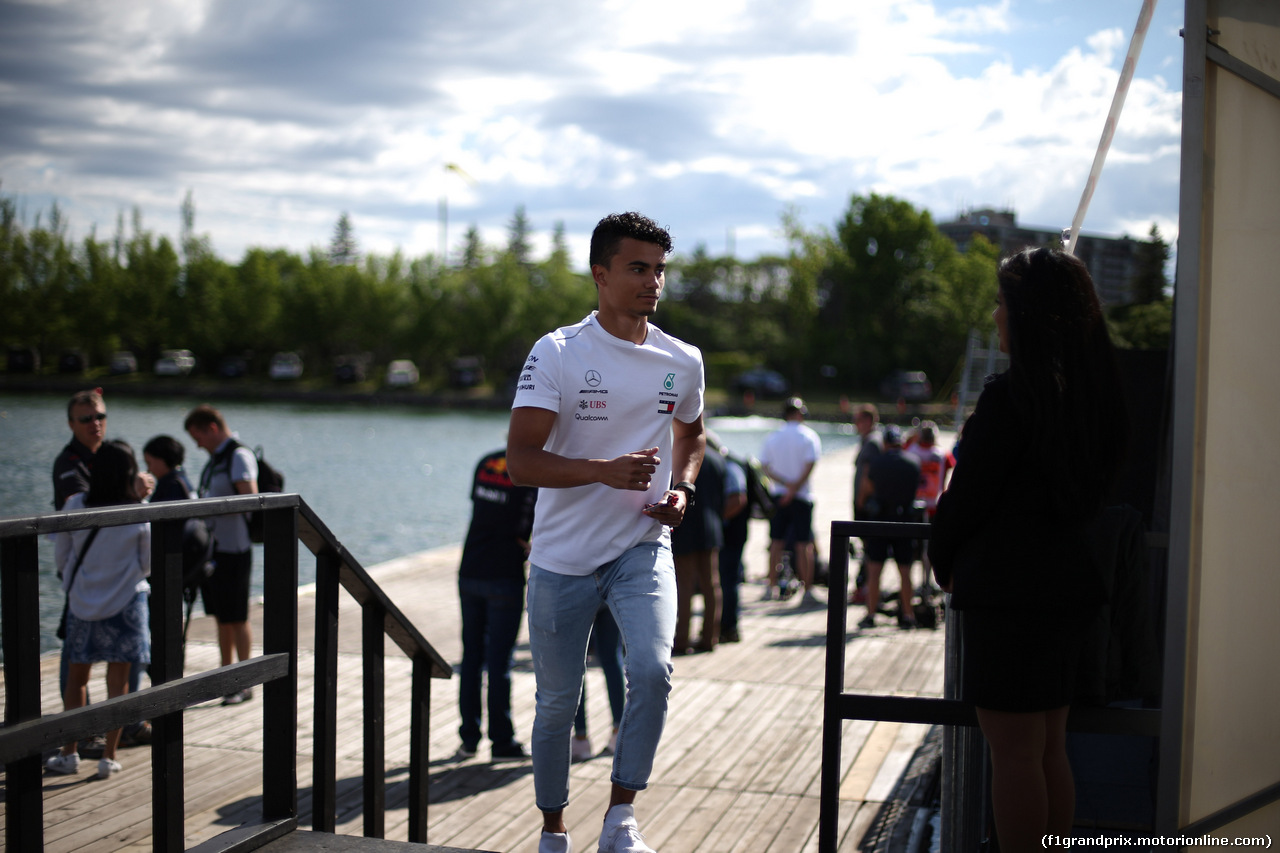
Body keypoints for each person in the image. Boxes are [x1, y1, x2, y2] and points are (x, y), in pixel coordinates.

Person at [507, 211, 705, 853]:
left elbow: (691, 435)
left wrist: (683, 488)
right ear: (601, 273)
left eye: (659, 271)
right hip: (562, 557)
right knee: (558, 703)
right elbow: (521, 462)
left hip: (641, 547)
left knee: (650, 672)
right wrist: (604, 471)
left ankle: (621, 817)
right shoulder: (558, 352)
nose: (653, 282)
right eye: (638, 268)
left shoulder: (682, 359)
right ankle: (553, 830)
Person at [929, 247, 1127, 851]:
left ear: (1030, 314)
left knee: (1012, 753)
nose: (995, 316)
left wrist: (944, 561)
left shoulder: (1012, 397)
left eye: (1004, 303)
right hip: (1069, 587)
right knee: (1048, 747)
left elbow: (968, 498)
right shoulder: (1095, 395)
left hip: (1008, 595)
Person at [46, 440, 151, 779]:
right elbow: (146, 565)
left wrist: (77, 586)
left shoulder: (75, 503)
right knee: (117, 683)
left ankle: (69, 752)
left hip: (82, 601)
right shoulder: (138, 511)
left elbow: (61, 555)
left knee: (77, 679)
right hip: (125, 603)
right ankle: (109, 755)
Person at [456, 448, 537, 761]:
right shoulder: (530, 472)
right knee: (499, 663)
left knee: (472, 660)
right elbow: (524, 529)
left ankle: (468, 738)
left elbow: (481, 510)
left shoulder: (485, 462)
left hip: (470, 569)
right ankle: (502, 741)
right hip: (504, 575)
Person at [184, 405, 258, 704]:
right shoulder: (216, 459)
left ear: (211, 428)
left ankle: (245, 681)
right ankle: (227, 676)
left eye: (198, 437)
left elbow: (251, 501)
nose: (197, 444)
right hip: (214, 551)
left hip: (235, 549)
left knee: (237, 617)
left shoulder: (239, 456)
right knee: (220, 617)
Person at [855, 425, 922, 630]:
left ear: (885, 443)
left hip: (880, 521)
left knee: (874, 570)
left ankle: (871, 614)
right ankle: (908, 615)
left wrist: (861, 508)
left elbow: (865, 491)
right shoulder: (913, 463)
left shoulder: (876, 463)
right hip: (905, 521)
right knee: (905, 571)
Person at [758, 397, 822, 606]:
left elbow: (765, 466)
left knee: (775, 542)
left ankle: (771, 586)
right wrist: (794, 488)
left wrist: (785, 485)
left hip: (779, 495)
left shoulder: (773, 436)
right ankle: (808, 589)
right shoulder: (808, 435)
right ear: (799, 413)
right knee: (804, 544)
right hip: (802, 496)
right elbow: (810, 463)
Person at [671, 441, 726, 654]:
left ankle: (682, 640)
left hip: (684, 530)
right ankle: (710, 637)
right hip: (711, 528)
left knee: (684, 586)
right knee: (711, 585)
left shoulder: (679, 459)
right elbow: (722, 496)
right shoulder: (717, 459)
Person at [903, 421, 953, 589]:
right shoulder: (941, 454)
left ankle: (912, 581)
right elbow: (948, 470)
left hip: (914, 504)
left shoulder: (910, 451)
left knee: (912, 546)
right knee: (930, 546)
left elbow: (903, 446)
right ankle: (927, 581)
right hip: (934, 505)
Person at [571, 609, 625, 761]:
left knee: (577, 659)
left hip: (578, 591)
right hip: (611, 591)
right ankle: (619, 733)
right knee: (612, 658)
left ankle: (581, 738)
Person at [710, 433, 749, 644]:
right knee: (726, 579)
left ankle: (730, 627)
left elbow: (738, 499)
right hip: (730, 531)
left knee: (729, 580)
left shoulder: (731, 466)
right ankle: (725, 625)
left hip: (732, 534)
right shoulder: (730, 463)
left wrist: (718, 519)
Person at [848, 404, 882, 605]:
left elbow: (869, 475)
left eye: (859, 420)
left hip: (867, 505)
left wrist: (860, 502)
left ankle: (866, 588)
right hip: (865, 504)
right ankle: (866, 587)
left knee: (869, 549)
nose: (856, 425)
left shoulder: (872, 442)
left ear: (869, 421)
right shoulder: (869, 441)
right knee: (866, 548)